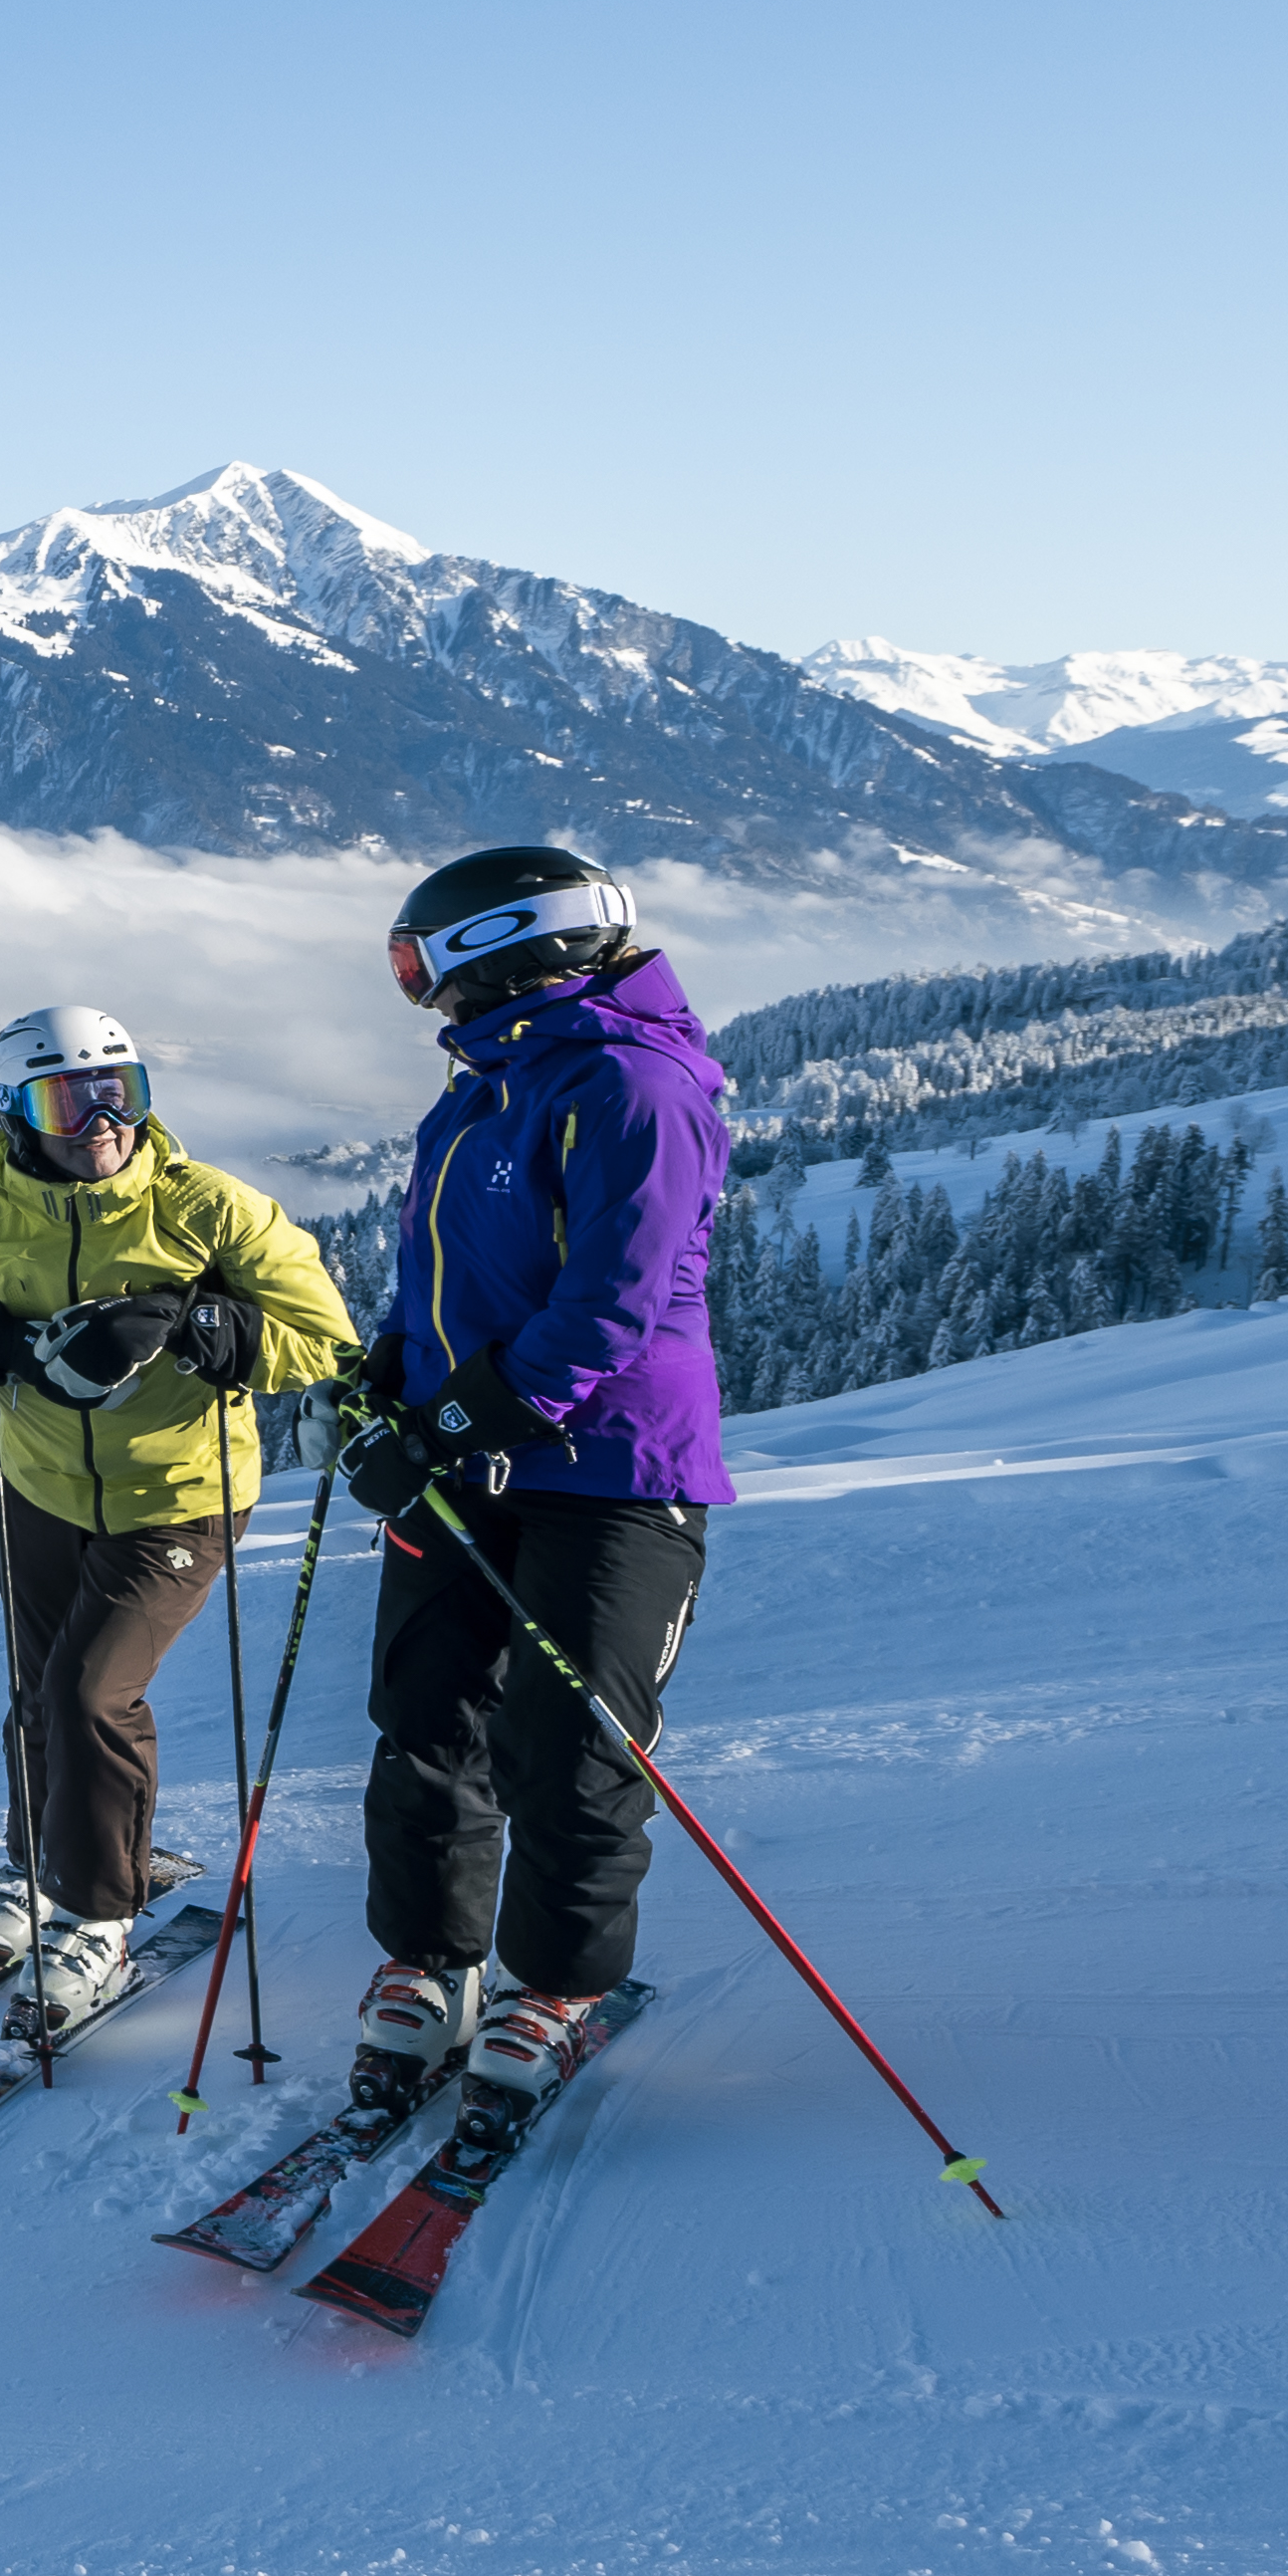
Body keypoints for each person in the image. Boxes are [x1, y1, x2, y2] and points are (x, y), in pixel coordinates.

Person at [0, 1000, 362, 2037]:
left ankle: (98, 1915)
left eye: (118, 1092)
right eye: (66, 1100)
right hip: (40, 1488)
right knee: (40, 1692)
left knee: (90, 1693)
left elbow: (323, 1339)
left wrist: (214, 1330)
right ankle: (37, 1866)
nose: (101, 1123)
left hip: (181, 1496)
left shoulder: (206, 1209)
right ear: (13, 1113)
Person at [333, 843, 736, 2127]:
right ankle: (430, 1961)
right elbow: (438, 1273)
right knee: (423, 1712)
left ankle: (553, 1985)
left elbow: (608, 1307)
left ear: (512, 946)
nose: (418, 992)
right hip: (467, 1455)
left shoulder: (634, 1086)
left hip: (610, 1469)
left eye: (420, 965)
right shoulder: (483, 1087)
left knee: (569, 1744)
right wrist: (389, 1375)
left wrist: (451, 1419)